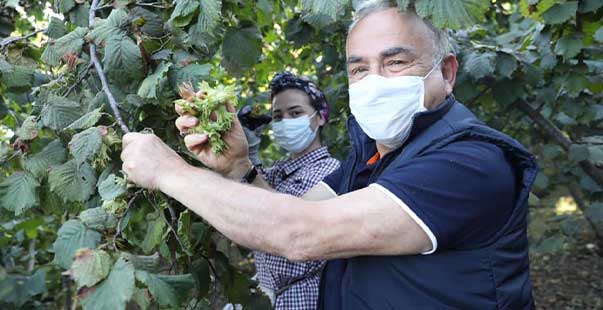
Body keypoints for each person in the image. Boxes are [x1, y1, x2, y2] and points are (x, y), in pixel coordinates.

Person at [120, 1, 538, 309]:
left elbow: (302, 234)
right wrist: (238, 167)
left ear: (446, 73)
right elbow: (291, 214)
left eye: (395, 62)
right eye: (358, 69)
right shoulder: (372, 159)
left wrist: (169, 172)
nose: (374, 81)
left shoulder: (470, 162)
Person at [241, 72, 340, 309]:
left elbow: (280, 221)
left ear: (320, 117)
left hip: (302, 300)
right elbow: (243, 209)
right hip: (268, 296)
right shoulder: (278, 171)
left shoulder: (331, 171)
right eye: (277, 116)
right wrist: (248, 150)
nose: (285, 121)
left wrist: (243, 162)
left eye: (295, 113)